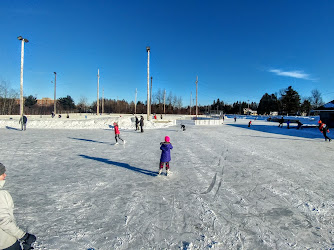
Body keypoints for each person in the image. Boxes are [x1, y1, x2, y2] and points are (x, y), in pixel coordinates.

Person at [0, 163, 36, 250]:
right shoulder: (1, 194)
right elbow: (4, 222)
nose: (5, 175)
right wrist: (24, 236)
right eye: (2, 173)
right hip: (5, 243)